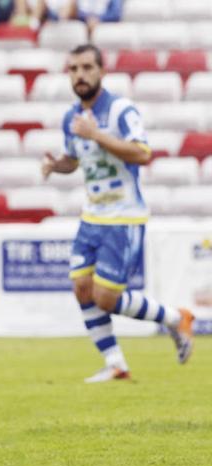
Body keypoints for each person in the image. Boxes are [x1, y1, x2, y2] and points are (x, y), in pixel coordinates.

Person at [41, 44, 195, 383]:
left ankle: (176, 317)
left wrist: (96, 134)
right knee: (82, 289)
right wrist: (56, 166)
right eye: (74, 69)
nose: (80, 75)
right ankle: (116, 364)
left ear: (101, 71)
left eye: (86, 68)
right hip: (92, 216)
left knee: (106, 297)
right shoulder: (72, 118)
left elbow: (141, 153)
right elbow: (75, 159)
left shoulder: (121, 111)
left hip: (124, 217)